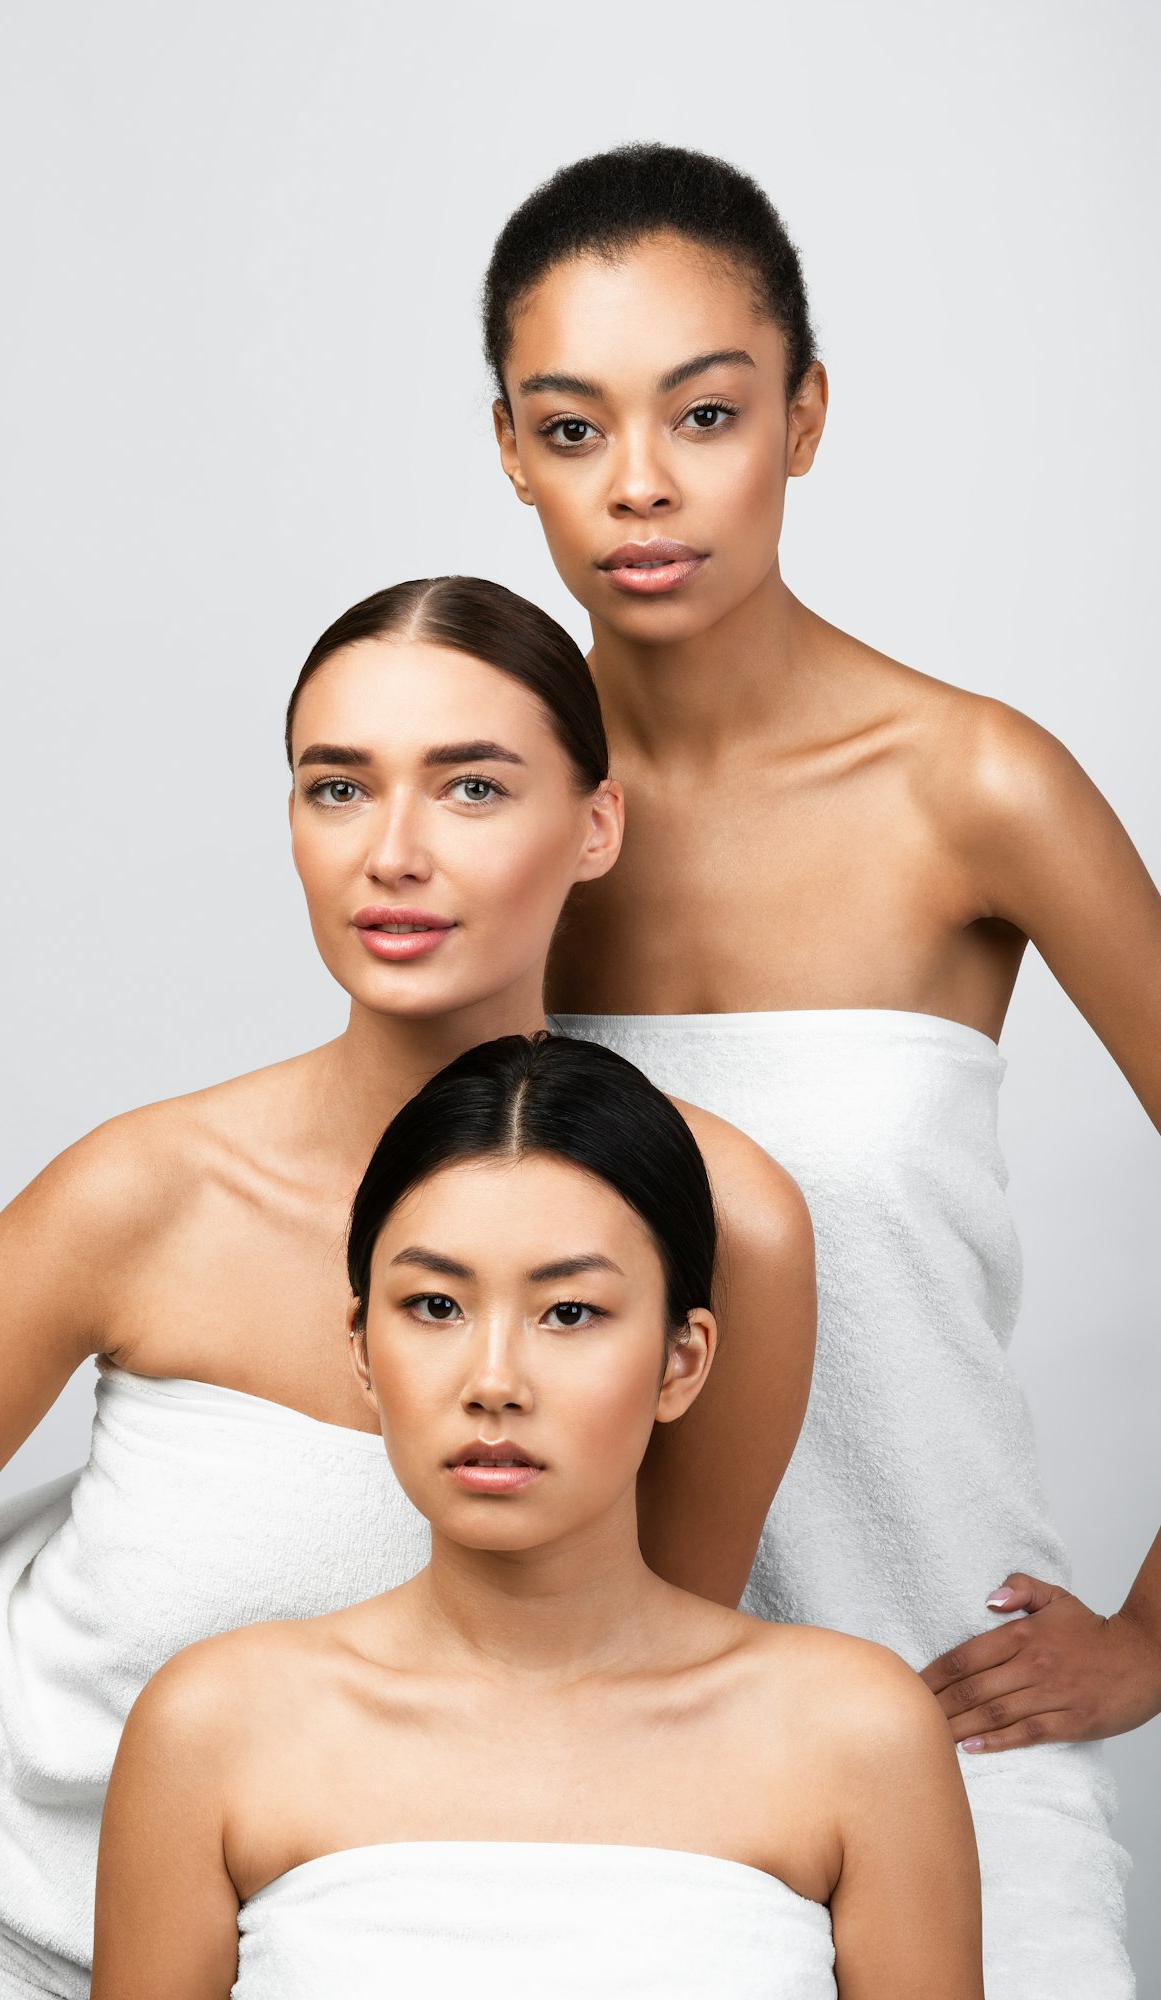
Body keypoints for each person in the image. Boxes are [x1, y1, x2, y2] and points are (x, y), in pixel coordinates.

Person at [0, 575, 814, 2000]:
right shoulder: (148, 1193)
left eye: (471, 788)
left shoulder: (723, 1231)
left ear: (595, 824)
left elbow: (622, 1701)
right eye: (337, 788)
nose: (392, 854)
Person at [481, 142, 1157, 1995]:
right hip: (578, 1748)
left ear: (803, 414)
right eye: (569, 425)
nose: (637, 483)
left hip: (940, 1727)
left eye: (702, 412)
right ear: (508, 447)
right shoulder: (494, 815)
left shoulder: (971, 788)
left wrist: (1156, 1637)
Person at [92, 1032, 981, 2000]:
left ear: (682, 1360)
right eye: (435, 1304)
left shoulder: (857, 1733)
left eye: (568, 1312)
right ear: (360, 1347)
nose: (494, 1382)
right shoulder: (212, 1731)